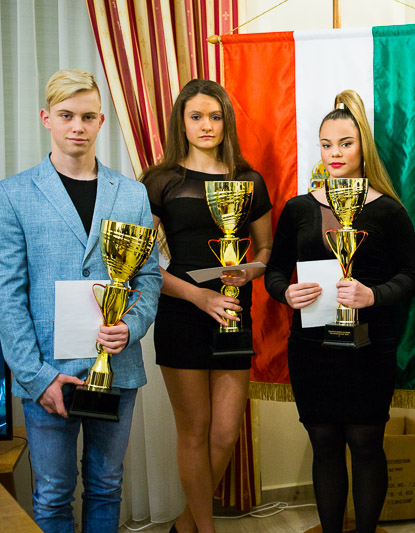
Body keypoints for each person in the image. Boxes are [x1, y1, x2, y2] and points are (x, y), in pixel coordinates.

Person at [0, 69, 161, 532]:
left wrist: (131, 326)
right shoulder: (14, 194)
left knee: (107, 485)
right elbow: (8, 296)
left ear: (101, 121)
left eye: (88, 117)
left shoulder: (131, 193)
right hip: (47, 372)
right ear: (46, 118)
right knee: (52, 494)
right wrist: (36, 377)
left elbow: (148, 277)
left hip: (117, 367)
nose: (77, 126)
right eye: (67, 115)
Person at [265, 90, 415, 533]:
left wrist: (373, 295)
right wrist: (286, 293)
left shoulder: (389, 211)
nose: (335, 153)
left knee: (366, 442)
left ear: (362, 147)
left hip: (370, 347)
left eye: (345, 144)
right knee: (325, 443)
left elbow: (410, 277)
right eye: (327, 144)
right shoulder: (298, 208)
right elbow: (275, 271)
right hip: (312, 347)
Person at [141, 79, 272, 533]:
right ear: (181, 121)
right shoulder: (160, 180)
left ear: (226, 122)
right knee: (194, 431)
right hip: (182, 312)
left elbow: (265, 249)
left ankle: (185, 526)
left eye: (215, 117)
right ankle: (206, 530)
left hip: (234, 312)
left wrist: (252, 272)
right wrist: (198, 295)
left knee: (225, 434)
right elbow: (141, 264)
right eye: (196, 116)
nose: (206, 125)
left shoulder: (249, 180)